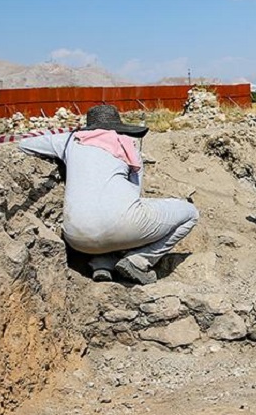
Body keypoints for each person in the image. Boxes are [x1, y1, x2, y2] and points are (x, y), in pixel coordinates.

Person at [18, 104, 199, 285]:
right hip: (121, 228)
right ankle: (139, 261)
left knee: (106, 214)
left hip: (75, 238)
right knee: (189, 214)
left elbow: (24, 143)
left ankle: (103, 263)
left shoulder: (68, 141)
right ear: (118, 127)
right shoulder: (126, 145)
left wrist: (65, 137)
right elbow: (134, 193)